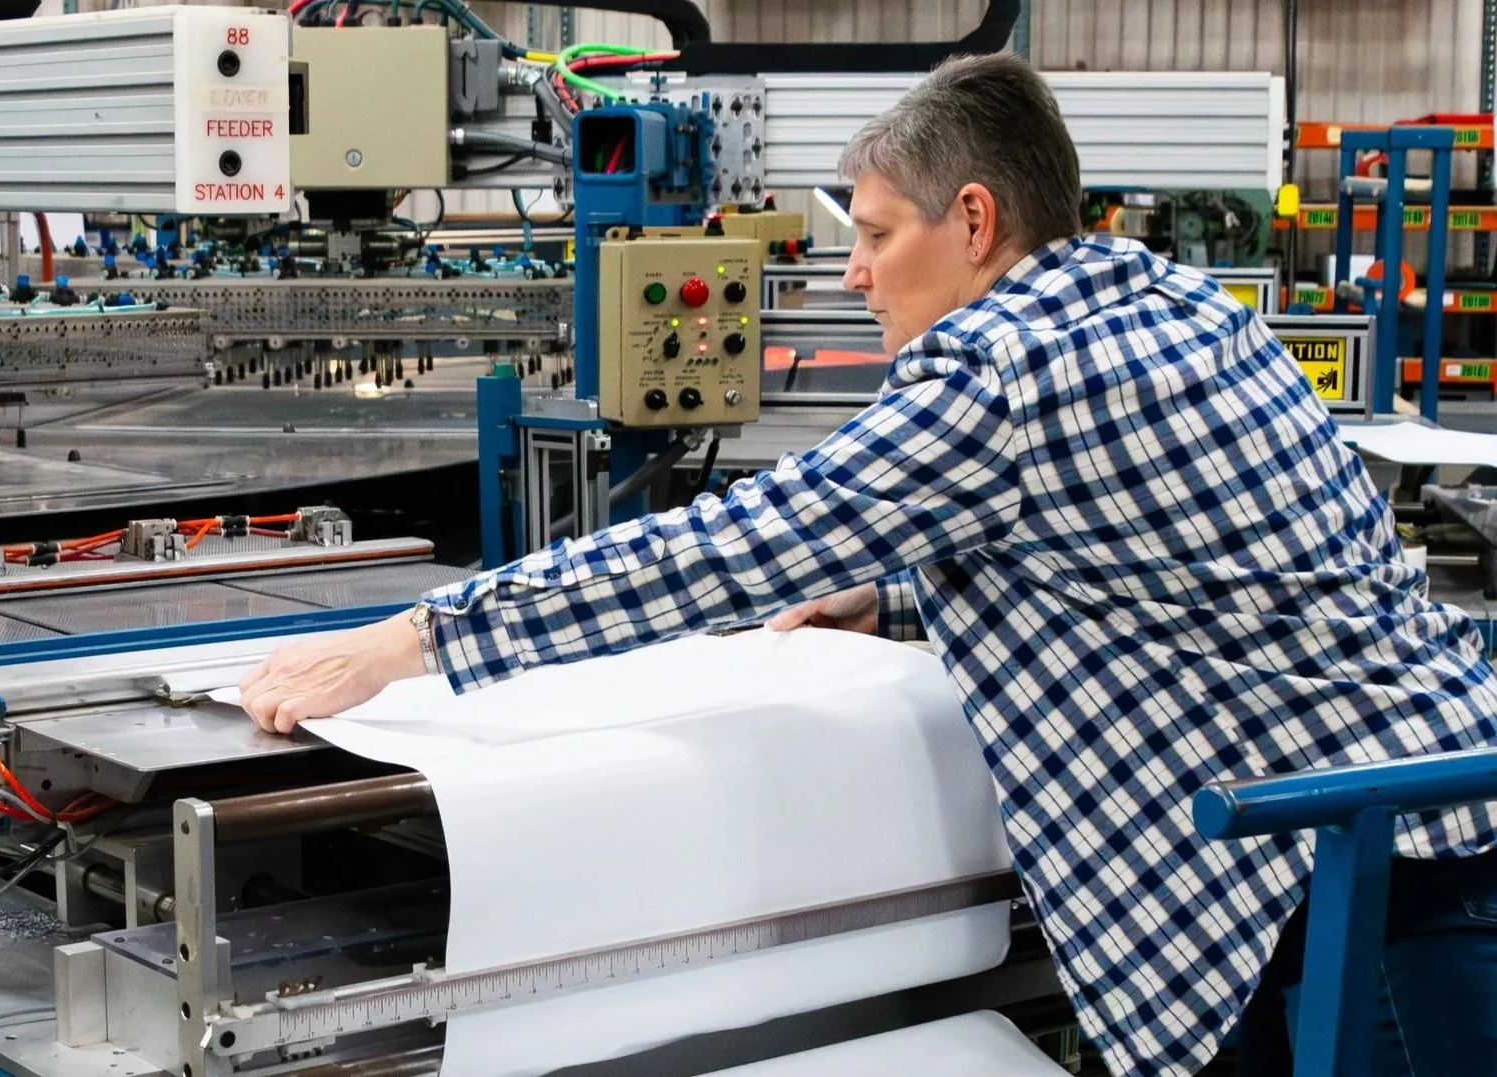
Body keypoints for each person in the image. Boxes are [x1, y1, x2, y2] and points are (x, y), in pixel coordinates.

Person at [238, 53, 1497, 1077]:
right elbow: (1158, 566)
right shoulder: (1173, 303)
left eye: (878, 235)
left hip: (1363, 893)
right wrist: (890, 597)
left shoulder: (1003, 371)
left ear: (974, 221)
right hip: (1421, 816)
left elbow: (726, 548)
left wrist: (417, 639)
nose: (849, 272)